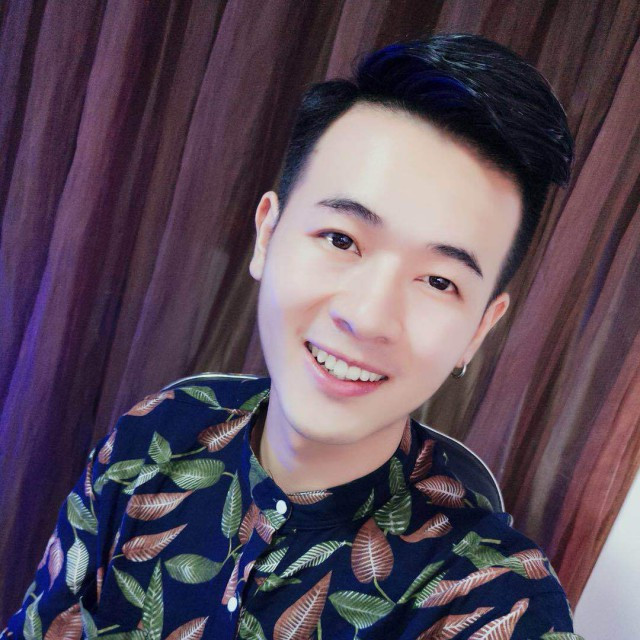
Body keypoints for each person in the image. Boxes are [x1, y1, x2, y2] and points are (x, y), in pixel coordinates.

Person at [2, 33, 583, 640]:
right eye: (341, 239)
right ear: (267, 234)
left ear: (479, 329)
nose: (368, 318)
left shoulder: (499, 600)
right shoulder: (157, 430)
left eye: (439, 281)